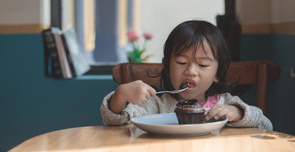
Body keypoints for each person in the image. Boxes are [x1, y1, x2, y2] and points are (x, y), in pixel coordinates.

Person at [100, 20, 272, 130]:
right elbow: (116, 121)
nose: (190, 71)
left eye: (203, 64)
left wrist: (238, 113)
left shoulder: (225, 103)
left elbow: (266, 125)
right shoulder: (156, 105)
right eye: (181, 63)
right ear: (167, 67)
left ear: (218, 74)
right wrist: (121, 94)